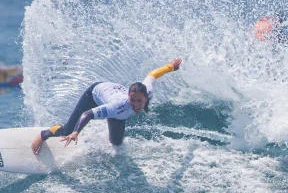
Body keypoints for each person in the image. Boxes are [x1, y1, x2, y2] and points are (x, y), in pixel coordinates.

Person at [30, 58, 183, 156]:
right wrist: (76, 132)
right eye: (133, 100)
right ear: (129, 96)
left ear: (145, 98)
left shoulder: (147, 91)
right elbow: (88, 114)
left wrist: (170, 67)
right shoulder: (117, 106)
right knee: (67, 130)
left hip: (112, 100)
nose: (136, 104)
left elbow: (153, 75)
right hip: (94, 95)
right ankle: (44, 134)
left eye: (139, 101)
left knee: (116, 143)